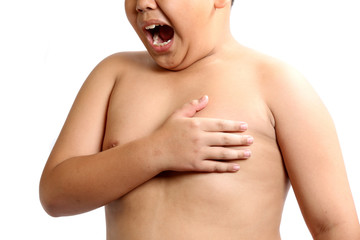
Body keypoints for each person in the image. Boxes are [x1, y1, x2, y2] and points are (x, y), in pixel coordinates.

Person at [39, 0, 360, 239]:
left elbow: (333, 224)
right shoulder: (114, 75)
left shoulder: (276, 84)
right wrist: (156, 151)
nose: (142, 4)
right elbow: (55, 195)